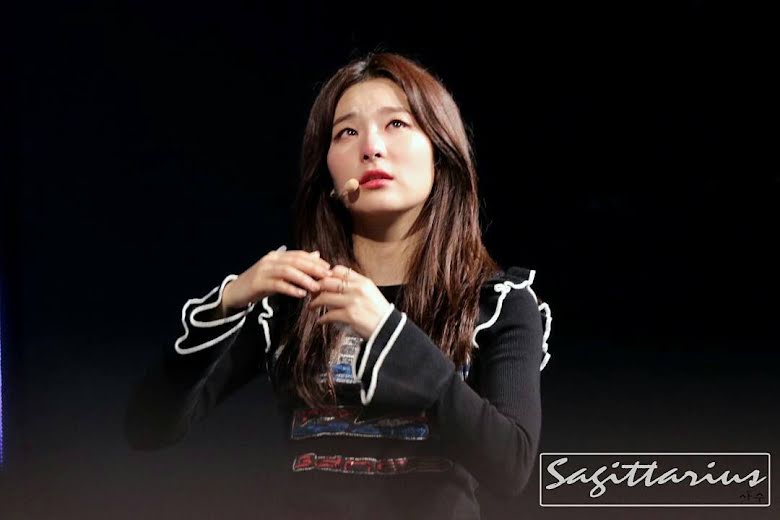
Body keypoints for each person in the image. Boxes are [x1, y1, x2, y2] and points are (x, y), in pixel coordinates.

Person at [125, 52, 552, 519]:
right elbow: (149, 427)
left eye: (396, 124)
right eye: (346, 132)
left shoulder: (497, 303)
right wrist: (225, 304)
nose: (371, 147)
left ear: (441, 151)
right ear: (327, 173)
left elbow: (510, 466)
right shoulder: (295, 300)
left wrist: (390, 332)